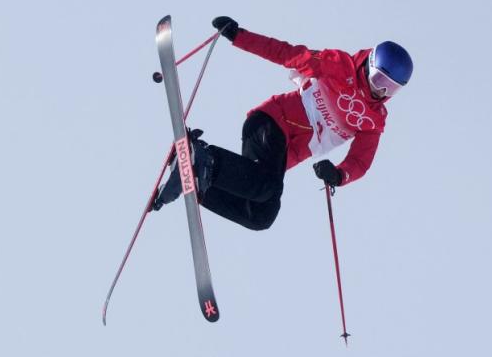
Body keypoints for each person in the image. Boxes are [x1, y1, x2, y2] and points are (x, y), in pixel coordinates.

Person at [151, 16, 413, 231]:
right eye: (379, 80)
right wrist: (240, 36)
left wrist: (339, 174)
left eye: (392, 89)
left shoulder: (373, 120)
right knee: (266, 186)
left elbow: (360, 162)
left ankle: (195, 184)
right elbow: (287, 54)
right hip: (270, 124)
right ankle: (202, 158)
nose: (381, 92)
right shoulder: (338, 66)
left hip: (279, 154)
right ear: (369, 64)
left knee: (261, 215)